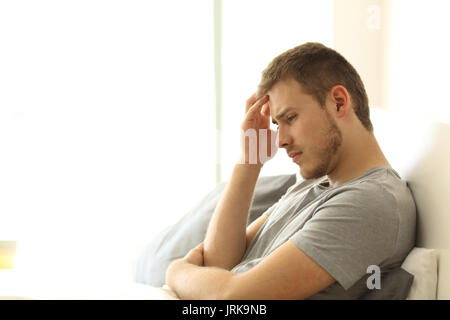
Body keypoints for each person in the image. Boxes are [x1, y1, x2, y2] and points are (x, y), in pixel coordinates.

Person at [165, 42, 416, 299]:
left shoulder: (371, 202)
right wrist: (249, 163)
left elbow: (234, 298)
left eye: (290, 118)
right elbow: (217, 263)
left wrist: (175, 271)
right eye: (276, 123)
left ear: (339, 103)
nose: (280, 140)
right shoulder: (312, 185)